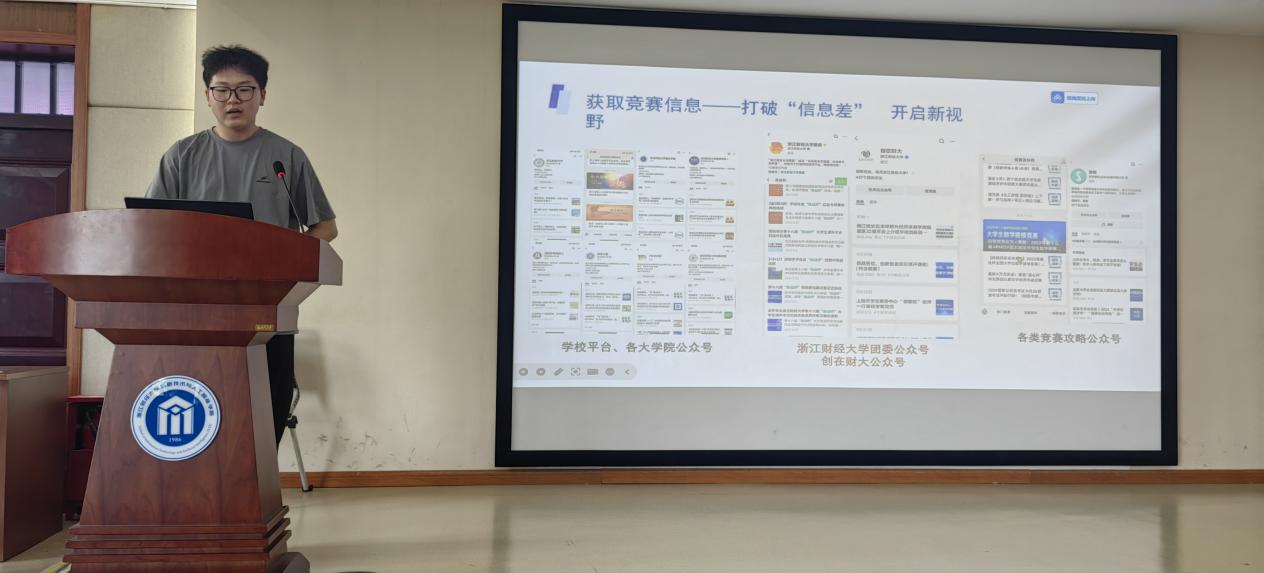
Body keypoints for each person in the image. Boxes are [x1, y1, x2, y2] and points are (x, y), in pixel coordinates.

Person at [146, 45, 338, 445]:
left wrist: (284, 261)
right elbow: (151, 226)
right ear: (207, 96)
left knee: (268, 409)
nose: (233, 99)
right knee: (205, 407)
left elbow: (325, 227)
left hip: (268, 306)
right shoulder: (182, 155)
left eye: (245, 89)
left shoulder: (286, 157)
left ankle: (260, 483)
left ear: (262, 95)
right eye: (222, 90)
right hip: (198, 308)